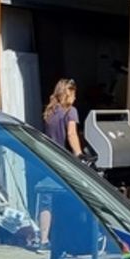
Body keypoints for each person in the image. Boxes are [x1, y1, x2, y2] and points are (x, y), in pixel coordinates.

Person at [38, 79, 82, 245]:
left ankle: (43, 239)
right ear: (68, 93)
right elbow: (71, 134)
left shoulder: (50, 111)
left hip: (48, 160)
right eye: (74, 93)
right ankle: (67, 238)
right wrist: (79, 154)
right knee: (68, 200)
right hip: (64, 161)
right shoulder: (71, 111)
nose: (76, 97)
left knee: (46, 201)